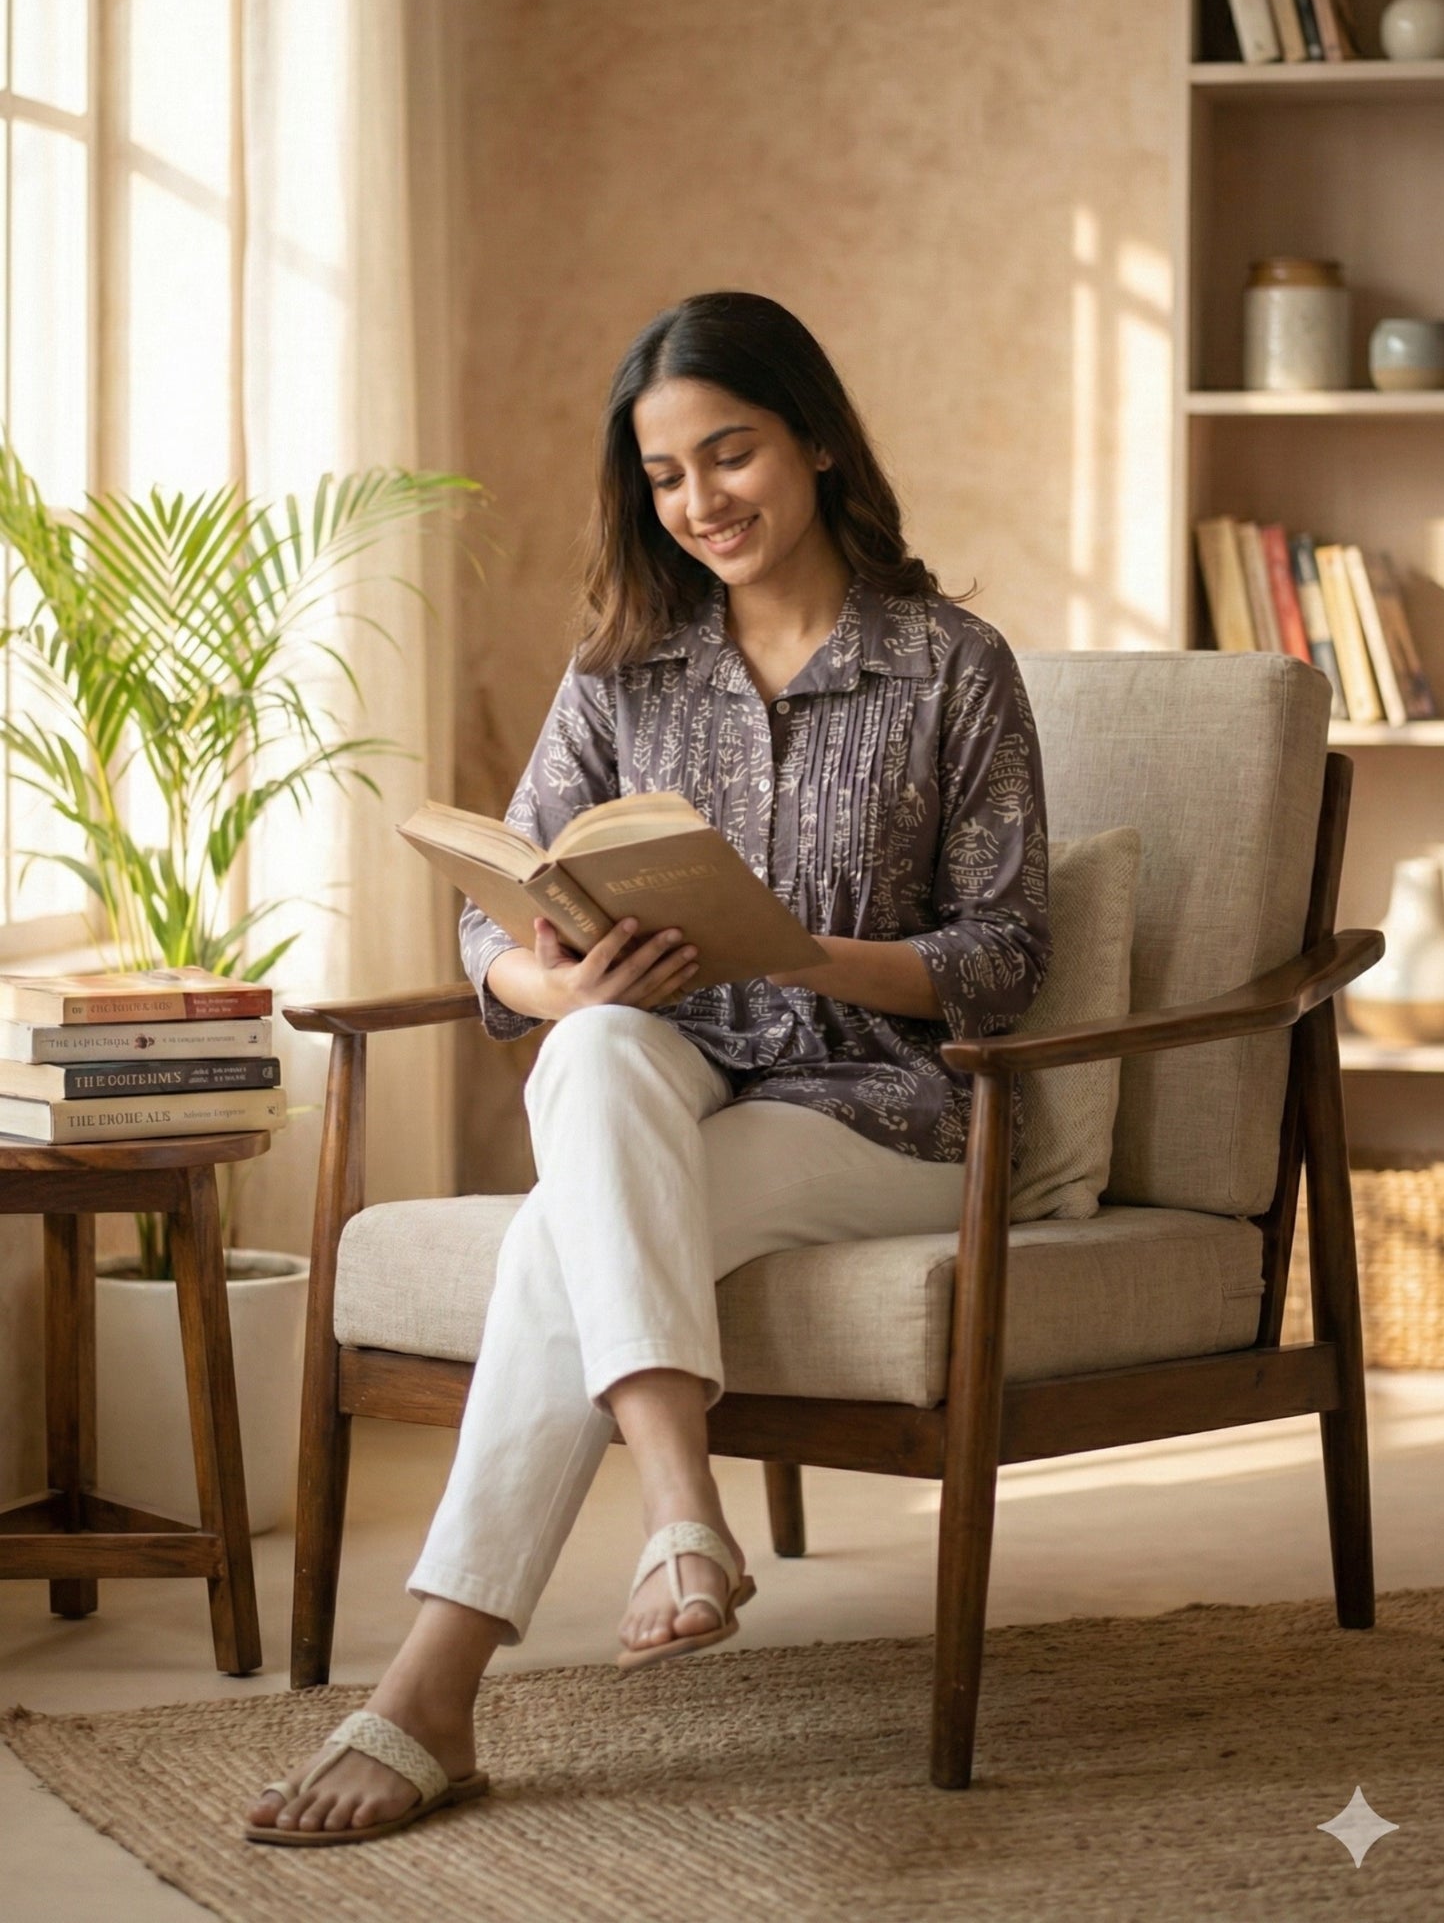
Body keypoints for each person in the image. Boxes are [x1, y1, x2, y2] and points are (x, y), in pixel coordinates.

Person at [247, 289, 1051, 1845]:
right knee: (594, 1046)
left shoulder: (949, 663)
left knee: (564, 1229)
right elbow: (490, 923)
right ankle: (681, 1507)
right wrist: (554, 975)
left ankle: (431, 1687)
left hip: (876, 1105)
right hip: (662, 1068)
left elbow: (1011, 953)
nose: (701, 504)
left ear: (814, 438)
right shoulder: (626, 668)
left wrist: (808, 954)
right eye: (667, 477)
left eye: (729, 454)